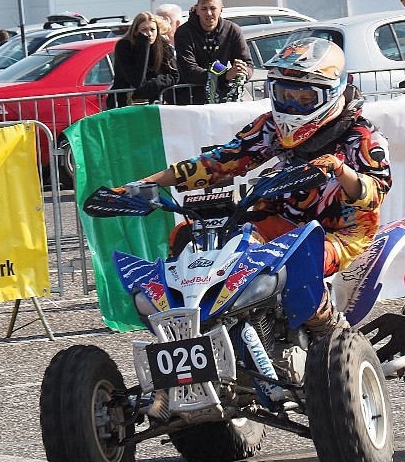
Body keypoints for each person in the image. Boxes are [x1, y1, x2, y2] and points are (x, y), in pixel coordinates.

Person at [137, 37, 391, 335]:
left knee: (300, 262)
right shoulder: (271, 126)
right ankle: (201, 329)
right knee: (190, 237)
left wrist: (340, 170)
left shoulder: (361, 135)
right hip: (278, 220)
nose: (293, 105)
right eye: (285, 95)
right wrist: (143, 185)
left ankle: (333, 333)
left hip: (340, 233)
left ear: (332, 92)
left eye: (306, 99)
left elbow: (377, 191)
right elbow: (220, 162)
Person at [174, 0, 253, 105]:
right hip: (190, 100)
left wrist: (242, 70)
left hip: (223, 100)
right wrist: (225, 75)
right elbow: (189, 71)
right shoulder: (184, 33)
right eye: (204, 8)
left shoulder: (233, 30)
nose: (209, 13)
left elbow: (248, 64)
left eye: (213, 8)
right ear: (197, 10)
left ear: (221, 10)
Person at [106, 12, 179, 110]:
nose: (149, 34)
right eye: (144, 30)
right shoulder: (124, 46)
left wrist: (154, 84)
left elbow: (174, 75)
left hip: (154, 103)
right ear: (136, 32)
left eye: (152, 30)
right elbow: (137, 80)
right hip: (124, 103)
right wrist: (144, 46)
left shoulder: (163, 46)